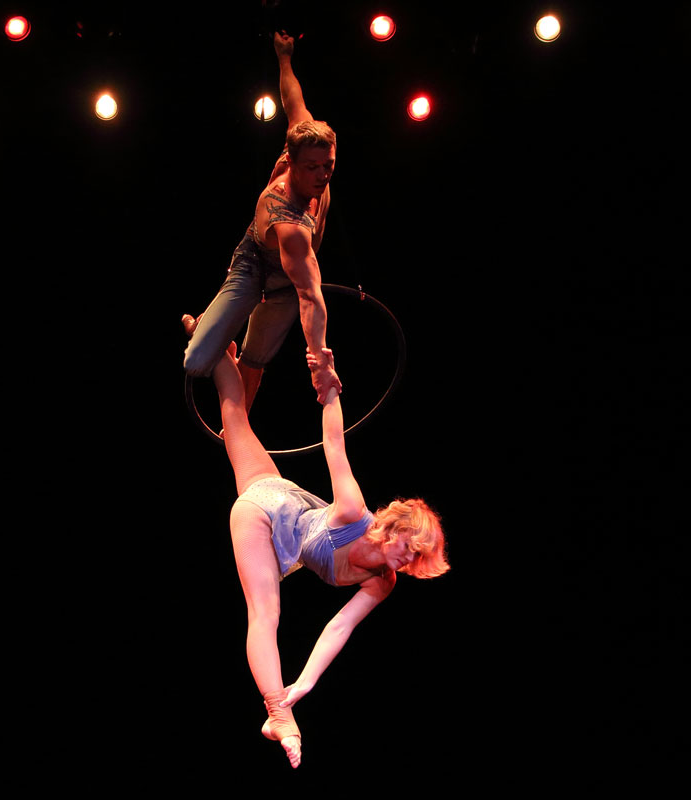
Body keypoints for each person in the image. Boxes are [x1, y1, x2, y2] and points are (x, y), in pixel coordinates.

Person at [182, 315, 450, 768]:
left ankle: (213, 346)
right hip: (262, 511)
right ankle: (278, 714)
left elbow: (339, 627)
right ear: (398, 529)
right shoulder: (354, 513)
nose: (409, 559)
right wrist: (329, 387)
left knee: (235, 414)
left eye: (417, 558)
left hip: (278, 493)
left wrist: (305, 682)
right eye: (411, 547)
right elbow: (334, 445)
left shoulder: (383, 581)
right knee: (265, 612)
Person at [183, 31, 341, 412]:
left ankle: (236, 425)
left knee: (254, 362)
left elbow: (292, 98)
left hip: (287, 281)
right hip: (255, 265)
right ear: (290, 160)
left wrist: (284, 57)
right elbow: (311, 294)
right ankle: (206, 328)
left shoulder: (307, 136)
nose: (322, 175)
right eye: (313, 168)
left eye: (329, 165)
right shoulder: (286, 216)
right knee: (196, 361)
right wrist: (320, 364)